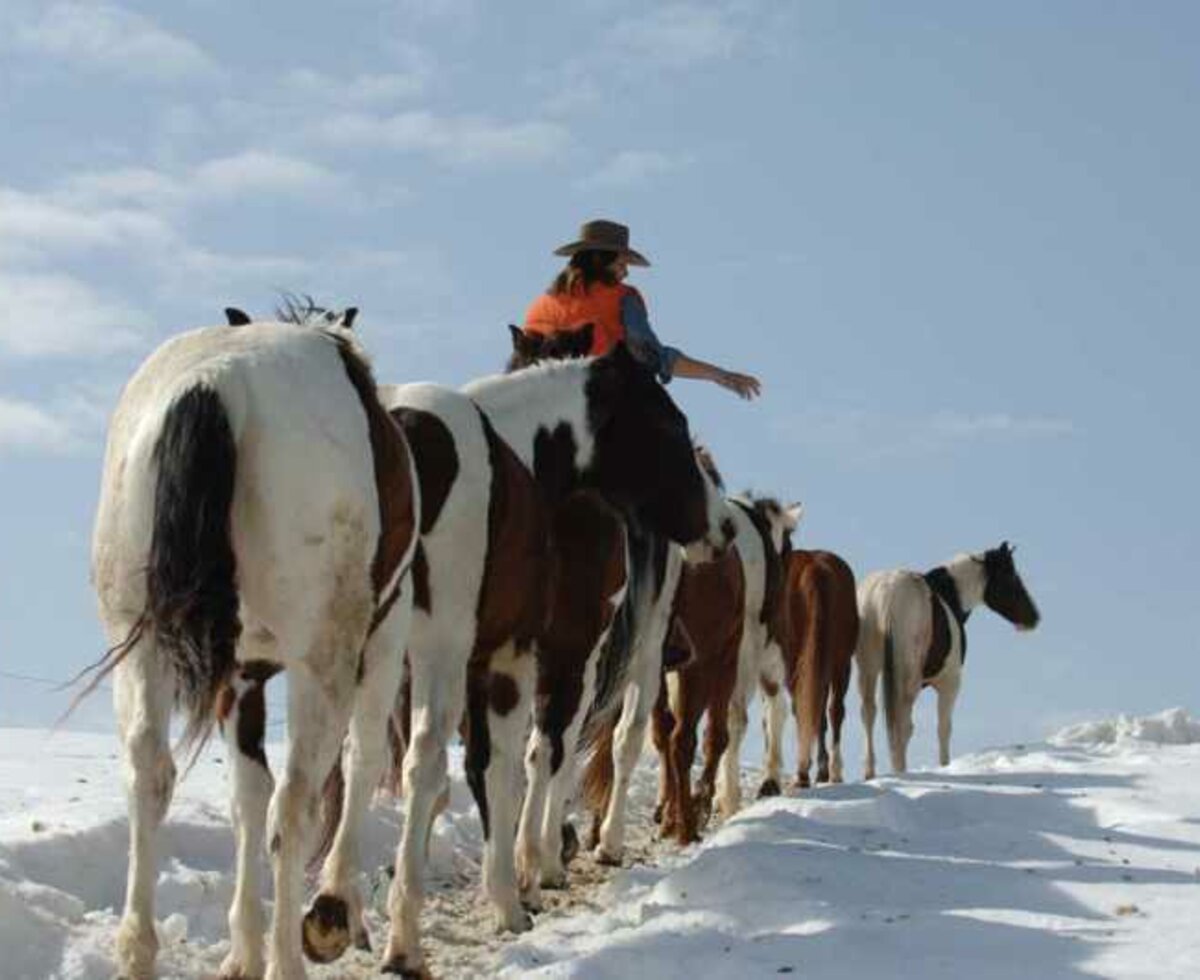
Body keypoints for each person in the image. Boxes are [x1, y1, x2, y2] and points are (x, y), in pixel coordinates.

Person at [523, 219, 761, 399]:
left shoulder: (540, 305)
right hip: (599, 401)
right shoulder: (624, 298)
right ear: (599, 261)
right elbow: (652, 356)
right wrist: (719, 375)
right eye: (621, 264)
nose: (625, 273)